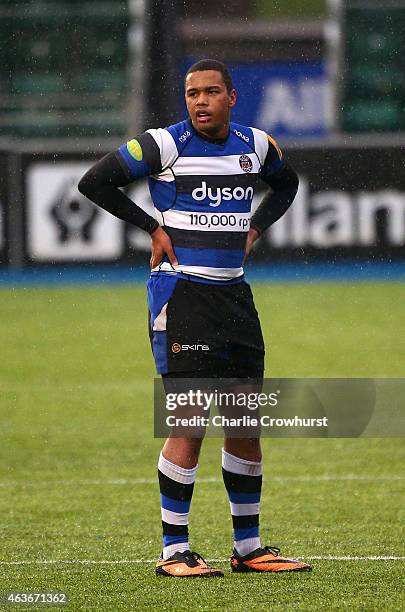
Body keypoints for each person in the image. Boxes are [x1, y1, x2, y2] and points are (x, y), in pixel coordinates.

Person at [78, 59, 311, 577]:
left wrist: (256, 226)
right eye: (191, 94)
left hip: (235, 298)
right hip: (182, 296)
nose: (199, 102)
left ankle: (248, 549)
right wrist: (152, 227)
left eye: (210, 93)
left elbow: (287, 185)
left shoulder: (256, 146)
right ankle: (173, 552)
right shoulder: (163, 144)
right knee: (188, 423)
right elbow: (94, 182)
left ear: (232, 97)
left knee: (244, 423)